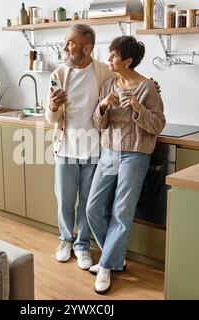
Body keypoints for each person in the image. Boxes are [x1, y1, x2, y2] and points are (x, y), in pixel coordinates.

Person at [86, 36, 166, 294]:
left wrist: (136, 107)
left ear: (128, 61)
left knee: (122, 213)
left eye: (113, 56)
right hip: (109, 153)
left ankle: (107, 265)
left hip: (134, 155)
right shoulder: (109, 83)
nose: (109, 59)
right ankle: (116, 257)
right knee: (93, 208)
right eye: (109, 55)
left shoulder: (147, 88)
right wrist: (102, 106)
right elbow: (99, 123)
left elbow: (158, 124)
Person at [45, 24, 115, 270]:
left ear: (87, 48)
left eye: (70, 43)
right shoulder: (59, 75)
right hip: (65, 148)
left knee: (87, 202)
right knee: (64, 200)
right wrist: (53, 108)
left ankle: (82, 245)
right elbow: (51, 119)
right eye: (65, 42)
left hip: (95, 150)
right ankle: (65, 240)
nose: (65, 47)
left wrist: (151, 87)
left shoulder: (105, 72)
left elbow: (128, 82)